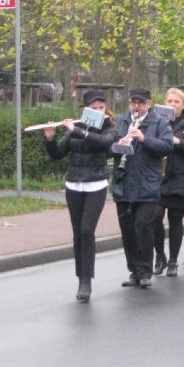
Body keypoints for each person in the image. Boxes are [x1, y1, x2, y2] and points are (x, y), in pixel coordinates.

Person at [43, 89, 116, 302]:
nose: (98, 111)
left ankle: (87, 281)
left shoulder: (109, 127)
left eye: (101, 108)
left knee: (86, 230)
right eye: (93, 109)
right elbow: (57, 154)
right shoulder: (74, 128)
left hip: (96, 185)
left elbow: (103, 143)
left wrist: (78, 131)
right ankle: (80, 278)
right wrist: (49, 138)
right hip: (74, 184)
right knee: (77, 234)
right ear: (85, 110)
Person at [112, 88, 174, 289]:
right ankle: (134, 271)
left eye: (140, 103)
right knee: (127, 230)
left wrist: (144, 139)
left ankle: (146, 270)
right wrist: (116, 144)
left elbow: (166, 147)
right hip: (124, 182)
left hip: (147, 184)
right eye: (133, 102)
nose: (136, 106)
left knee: (143, 227)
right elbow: (107, 145)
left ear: (149, 104)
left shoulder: (158, 122)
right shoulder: (122, 120)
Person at [152, 88, 184, 277]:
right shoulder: (156, 122)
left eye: (177, 102)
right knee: (154, 217)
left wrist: (177, 142)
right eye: (170, 101)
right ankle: (160, 256)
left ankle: (173, 260)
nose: (172, 104)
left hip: (181, 178)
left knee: (175, 220)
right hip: (159, 177)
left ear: (183, 105)